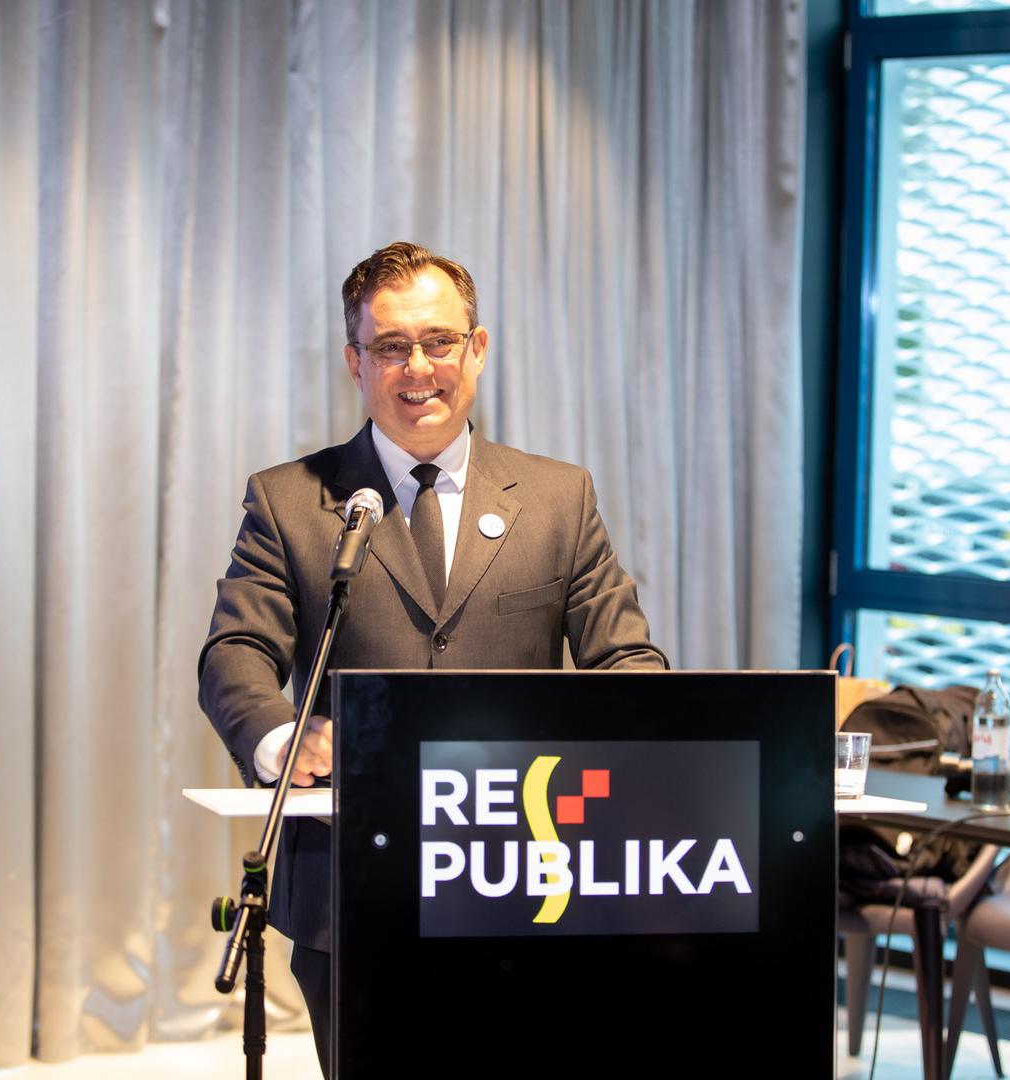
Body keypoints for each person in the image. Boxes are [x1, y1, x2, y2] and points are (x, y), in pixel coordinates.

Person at [198, 241, 667, 1075]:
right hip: (353, 882)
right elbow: (236, 650)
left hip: (530, 871)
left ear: (476, 349)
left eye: (439, 341)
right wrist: (281, 739)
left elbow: (628, 661)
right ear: (356, 363)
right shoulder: (290, 501)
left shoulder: (559, 499)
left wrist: (625, 755)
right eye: (391, 346)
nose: (418, 368)